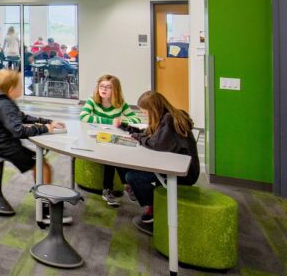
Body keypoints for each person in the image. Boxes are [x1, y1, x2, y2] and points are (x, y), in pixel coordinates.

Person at [119, 91, 201, 234]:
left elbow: (155, 143)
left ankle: (155, 207)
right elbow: (148, 134)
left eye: (145, 112)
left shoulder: (169, 120)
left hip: (182, 172)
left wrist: (138, 138)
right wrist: (128, 129)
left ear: (153, 110)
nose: (144, 115)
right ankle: (157, 204)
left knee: (132, 177)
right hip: (178, 166)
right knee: (131, 171)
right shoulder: (168, 117)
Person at [0, 68, 64, 189]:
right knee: (42, 164)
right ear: (11, 90)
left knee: (41, 161)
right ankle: (45, 200)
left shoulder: (2, 100)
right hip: (3, 147)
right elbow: (19, 131)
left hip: (0, 143)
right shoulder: (5, 105)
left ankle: (42, 193)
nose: (22, 88)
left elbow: (23, 117)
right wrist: (45, 128)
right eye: (20, 86)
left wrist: (49, 122)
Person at [79, 75, 141, 207]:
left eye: (108, 87)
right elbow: (83, 117)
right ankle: (124, 186)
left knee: (114, 152)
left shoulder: (120, 103)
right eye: (101, 86)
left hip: (111, 138)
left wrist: (122, 122)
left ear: (115, 90)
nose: (104, 89)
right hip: (94, 138)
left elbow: (137, 120)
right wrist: (110, 122)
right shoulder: (93, 101)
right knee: (112, 153)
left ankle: (109, 189)